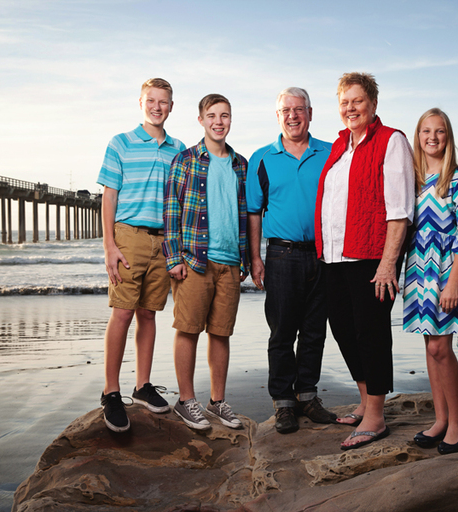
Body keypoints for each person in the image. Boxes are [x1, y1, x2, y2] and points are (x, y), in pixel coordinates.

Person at [314, 72, 414, 450]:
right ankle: (365, 399)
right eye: (344, 102)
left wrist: (388, 264)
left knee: (370, 332)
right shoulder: (340, 146)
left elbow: (400, 210)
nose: (350, 108)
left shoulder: (392, 141)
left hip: (371, 256)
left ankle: (376, 416)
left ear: (373, 104)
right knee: (342, 328)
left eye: (357, 101)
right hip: (335, 256)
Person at [97, 78, 186, 432]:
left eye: (163, 102)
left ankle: (142, 386)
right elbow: (109, 196)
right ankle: (111, 391)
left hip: (162, 241)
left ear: (171, 107)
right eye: (151, 100)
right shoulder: (120, 143)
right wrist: (109, 245)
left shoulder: (179, 149)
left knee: (148, 314)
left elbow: (180, 201)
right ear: (141, 103)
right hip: (128, 237)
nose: (157, 107)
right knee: (122, 313)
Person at [247, 87, 336, 434]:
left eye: (299, 109)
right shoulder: (262, 158)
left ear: (310, 114)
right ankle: (284, 402)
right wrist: (256, 258)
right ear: (278, 115)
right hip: (281, 254)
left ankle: (308, 395)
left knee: (315, 330)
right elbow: (255, 212)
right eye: (286, 110)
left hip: (323, 254)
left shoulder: (329, 153)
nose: (293, 115)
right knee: (282, 331)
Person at [163, 94, 248, 431]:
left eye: (224, 115)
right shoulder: (185, 160)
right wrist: (173, 257)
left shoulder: (240, 164)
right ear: (201, 120)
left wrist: (244, 258)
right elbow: (171, 211)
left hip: (230, 262)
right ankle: (186, 400)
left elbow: (246, 214)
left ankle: (217, 401)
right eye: (212, 115)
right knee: (188, 329)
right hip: (195, 260)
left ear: (230, 119)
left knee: (221, 333)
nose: (218, 121)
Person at [402, 108, 458, 454]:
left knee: (441, 347)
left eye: (440, 131)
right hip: (418, 269)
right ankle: (440, 419)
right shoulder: (412, 179)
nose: (432, 137)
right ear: (418, 137)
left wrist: (454, 282)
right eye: (425, 131)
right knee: (429, 348)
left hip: (446, 268)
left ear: (448, 137)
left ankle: (457, 422)